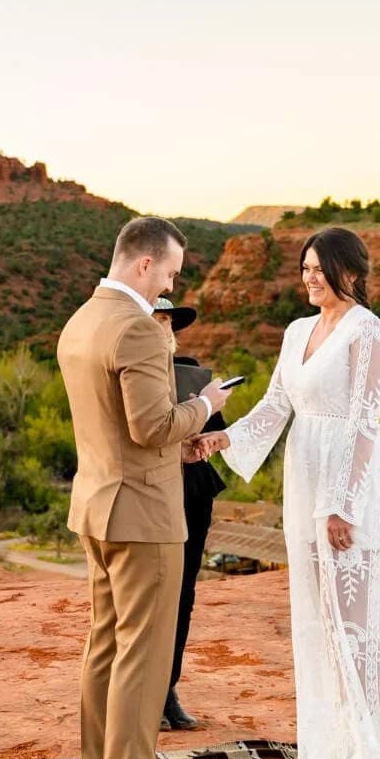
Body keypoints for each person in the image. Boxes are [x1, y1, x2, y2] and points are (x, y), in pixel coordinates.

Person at [187, 227, 380, 759]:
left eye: (317, 268)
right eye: (303, 268)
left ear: (349, 272)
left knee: (357, 617)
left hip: (347, 482)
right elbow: (275, 404)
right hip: (303, 475)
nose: (308, 277)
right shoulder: (296, 330)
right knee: (321, 613)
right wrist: (221, 439)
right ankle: (337, 739)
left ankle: (376, 744)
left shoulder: (367, 332)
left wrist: (342, 505)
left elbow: (363, 422)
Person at [58, 216, 233, 759]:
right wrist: (207, 406)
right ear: (143, 265)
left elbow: (118, 428)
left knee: (104, 642)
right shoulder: (136, 329)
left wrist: (174, 446)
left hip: (98, 505)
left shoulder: (82, 320)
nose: (169, 285)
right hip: (145, 516)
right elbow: (152, 426)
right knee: (144, 652)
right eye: (170, 273)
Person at [152, 297, 224, 732]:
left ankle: (168, 689)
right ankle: (142, 692)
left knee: (183, 595)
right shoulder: (128, 369)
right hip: (149, 493)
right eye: (158, 321)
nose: (167, 330)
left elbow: (216, 431)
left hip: (192, 491)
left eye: (169, 323)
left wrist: (205, 413)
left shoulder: (190, 369)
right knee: (149, 598)